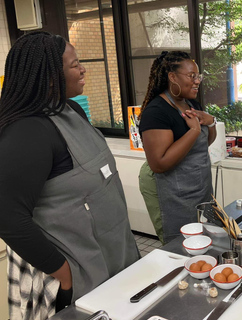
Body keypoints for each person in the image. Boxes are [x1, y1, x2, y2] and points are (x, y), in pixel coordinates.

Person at [0, 32, 140, 319]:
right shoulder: (28, 133)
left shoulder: (72, 109)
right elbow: (8, 218)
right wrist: (65, 276)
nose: (83, 69)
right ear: (51, 76)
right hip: (81, 274)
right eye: (75, 64)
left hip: (117, 256)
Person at [139, 51, 217, 243]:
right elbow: (160, 163)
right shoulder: (156, 112)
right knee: (181, 245)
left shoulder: (191, 104)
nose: (197, 81)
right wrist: (193, 131)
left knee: (203, 240)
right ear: (172, 77)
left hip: (199, 188)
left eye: (198, 76)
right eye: (192, 76)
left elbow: (202, 144)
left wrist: (211, 122)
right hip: (172, 193)